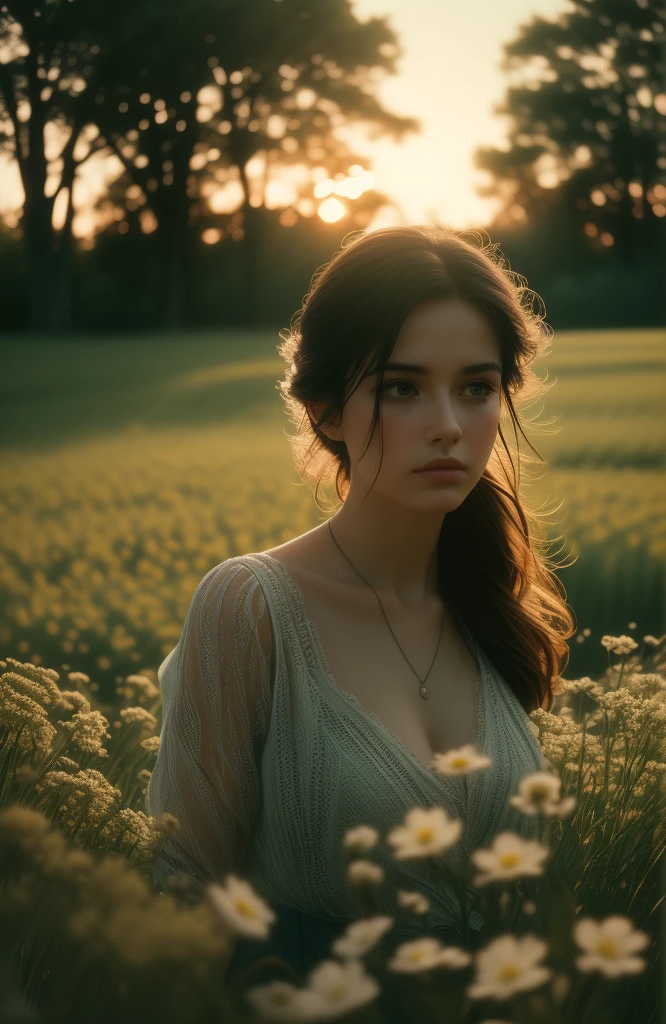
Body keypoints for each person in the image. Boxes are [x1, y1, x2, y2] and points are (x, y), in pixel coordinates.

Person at [145, 225, 575, 1016]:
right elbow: (180, 891)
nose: (447, 423)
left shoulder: (490, 608)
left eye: (477, 388)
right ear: (325, 409)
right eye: (402, 388)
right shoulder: (250, 607)